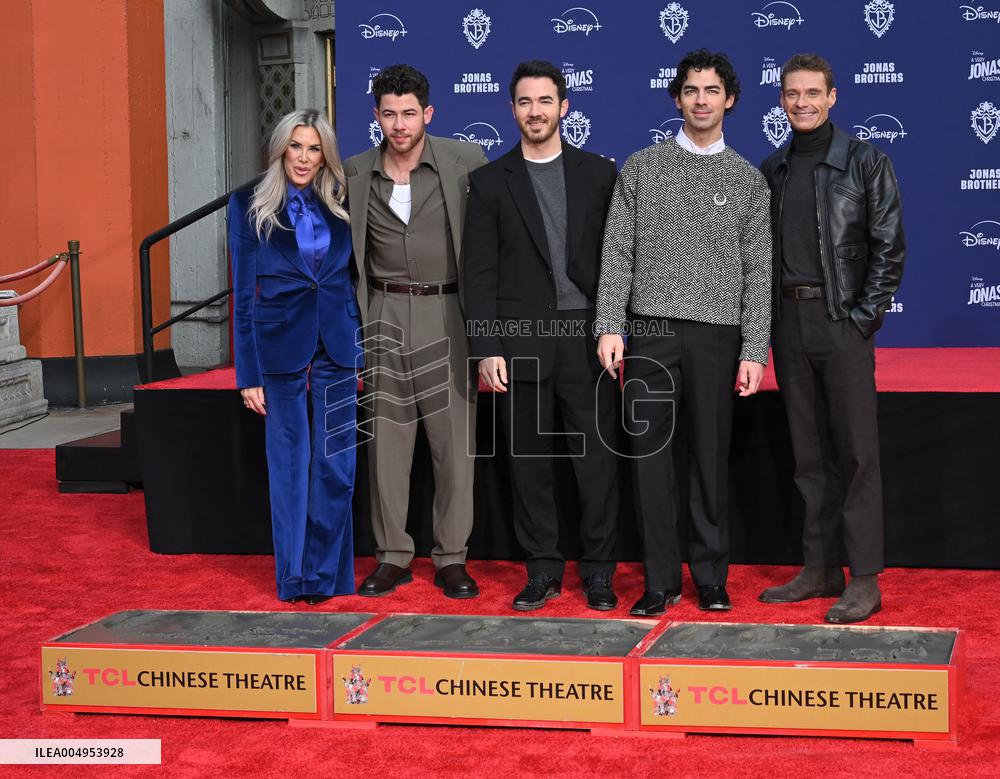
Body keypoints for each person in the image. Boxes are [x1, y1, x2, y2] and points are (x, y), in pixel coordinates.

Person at [595, 49, 772, 616]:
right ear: (677, 98)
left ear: (730, 100)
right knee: (650, 462)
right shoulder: (641, 168)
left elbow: (758, 272)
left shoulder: (748, 180)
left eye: (712, 90)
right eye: (691, 90)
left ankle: (711, 578)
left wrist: (754, 349)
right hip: (650, 331)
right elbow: (617, 252)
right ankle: (660, 580)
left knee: (709, 461)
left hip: (718, 337)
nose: (701, 100)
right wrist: (609, 324)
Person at [463, 61, 620, 612]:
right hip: (520, 341)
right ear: (512, 110)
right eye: (525, 102)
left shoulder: (599, 174)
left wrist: (614, 325)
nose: (536, 111)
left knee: (596, 463)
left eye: (545, 101)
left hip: (587, 338)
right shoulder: (489, 182)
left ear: (564, 107)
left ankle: (598, 571)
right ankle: (543, 570)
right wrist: (486, 347)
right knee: (528, 465)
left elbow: (618, 259)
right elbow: (478, 273)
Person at [758, 54, 905, 624]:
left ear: (832, 96)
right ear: (781, 100)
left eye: (812, 93)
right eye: (792, 94)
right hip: (788, 324)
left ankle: (864, 578)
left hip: (841, 321)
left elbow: (888, 246)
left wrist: (863, 318)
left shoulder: (865, 161)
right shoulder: (773, 169)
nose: (802, 102)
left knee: (857, 453)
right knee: (809, 455)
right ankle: (820, 568)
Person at [343, 64, 487, 599]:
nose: (399, 125)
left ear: (428, 112)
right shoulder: (354, 172)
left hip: (448, 311)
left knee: (455, 448)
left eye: (409, 113)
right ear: (376, 116)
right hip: (382, 312)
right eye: (389, 114)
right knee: (387, 444)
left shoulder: (466, 161)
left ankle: (452, 557)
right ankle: (393, 555)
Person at [230, 109, 362, 604]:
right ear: (280, 149)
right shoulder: (248, 204)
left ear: (325, 155)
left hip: (337, 342)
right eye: (295, 147)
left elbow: (351, 277)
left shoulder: (342, 201)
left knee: (336, 463)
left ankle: (325, 576)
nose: (304, 158)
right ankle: (293, 577)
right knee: (289, 464)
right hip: (278, 345)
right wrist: (248, 374)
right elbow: (242, 295)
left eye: (314, 149)